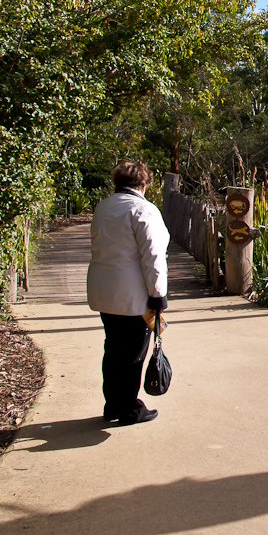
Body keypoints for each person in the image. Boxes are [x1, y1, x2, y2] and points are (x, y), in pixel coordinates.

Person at [87, 160, 169, 424]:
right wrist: (158, 295)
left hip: (103, 289)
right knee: (133, 353)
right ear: (144, 183)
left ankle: (112, 404)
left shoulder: (104, 206)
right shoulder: (143, 209)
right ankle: (129, 408)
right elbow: (153, 255)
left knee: (113, 350)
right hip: (133, 294)